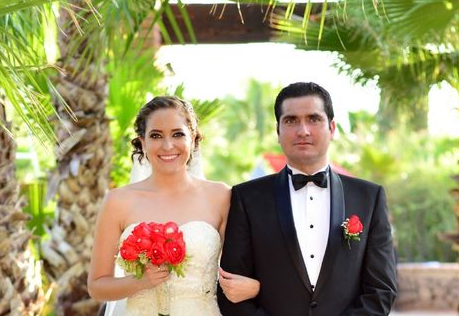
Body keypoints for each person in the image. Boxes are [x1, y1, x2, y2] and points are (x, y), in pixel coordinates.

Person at [218, 82, 398, 315]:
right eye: (291, 120)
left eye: (313, 119)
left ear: (332, 128)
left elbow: (381, 290)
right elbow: (231, 288)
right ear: (278, 130)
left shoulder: (369, 197)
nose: (303, 130)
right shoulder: (246, 198)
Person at [88, 96, 259, 315]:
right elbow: (97, 287)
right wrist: (140, 281)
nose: (168, 145)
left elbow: (244, 270)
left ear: (193, 138)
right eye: (156, 136)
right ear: (142, 142)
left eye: (178, 134)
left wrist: (256, 287)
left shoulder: (221, 196)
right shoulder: (117, 201)